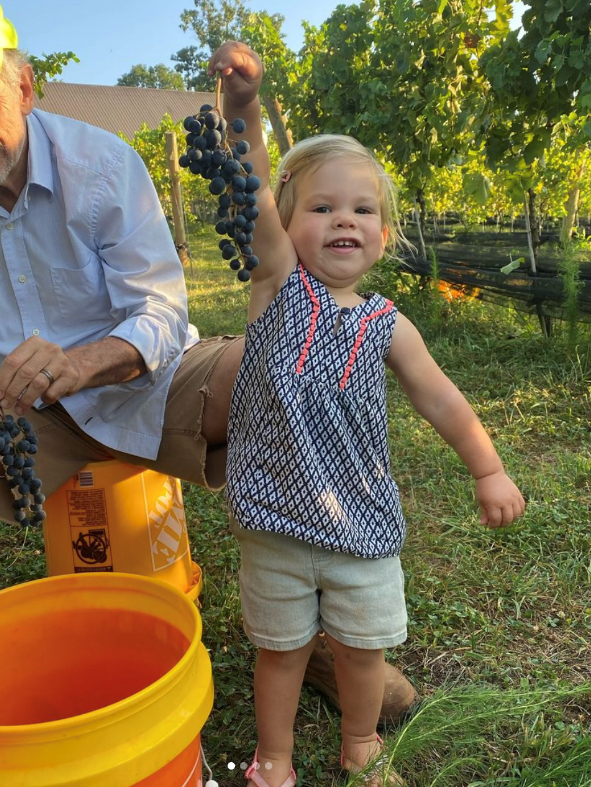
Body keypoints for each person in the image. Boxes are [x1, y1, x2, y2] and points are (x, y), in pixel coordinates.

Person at [0, 0, 417, 746]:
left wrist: (83, 360)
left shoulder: (101, 163)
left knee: (287, 360)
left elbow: (158, 314)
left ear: (23, 87)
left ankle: (315, 632)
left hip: (155, 385)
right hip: (25, 410)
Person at [209, 42, 525, 787]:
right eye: (320, 207)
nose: (342, 221)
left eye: (360, 210)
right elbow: (249, 189)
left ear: (383, 234)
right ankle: (274, 755)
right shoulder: (279, 287)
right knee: (281, 651)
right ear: (287, 225)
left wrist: (488, 465)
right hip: (276, 519)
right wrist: (244, 112)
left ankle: (359, 743)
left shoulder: (388, 323)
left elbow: (439, 396)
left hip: (362, 525)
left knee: (361, 648)